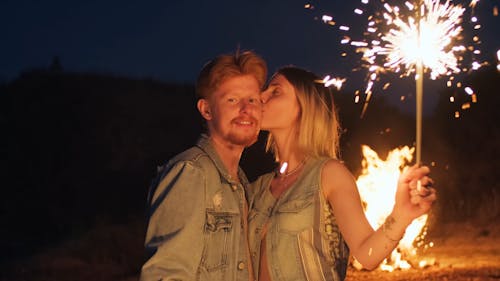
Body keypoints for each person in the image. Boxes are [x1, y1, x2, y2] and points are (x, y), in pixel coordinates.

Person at [248, 66, 437, 281]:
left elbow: (367, 256)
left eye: (275, 92)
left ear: (305, 107)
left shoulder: (329, 174)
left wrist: (401, 215)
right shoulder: (259, 188)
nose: (260, 96)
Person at [140, 50, 267, 281]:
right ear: (206, 109)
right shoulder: (190, 173)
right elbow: (166, 274)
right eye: (232, 100)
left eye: (253, 100)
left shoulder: (242, 185)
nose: (246, 109)